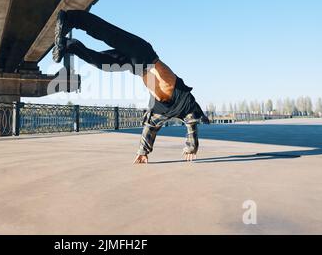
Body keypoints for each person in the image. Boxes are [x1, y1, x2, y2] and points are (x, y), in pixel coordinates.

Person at [52, 10, 209, 164]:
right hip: (144, 54)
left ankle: (68, 45)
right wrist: (191, 146)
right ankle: (71, 18)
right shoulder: (185, 102)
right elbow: (192, 124)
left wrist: (143, 152)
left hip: (136, 67)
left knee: (101, 62)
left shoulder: (158, 111)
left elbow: (150, 129)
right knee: (109, 34)